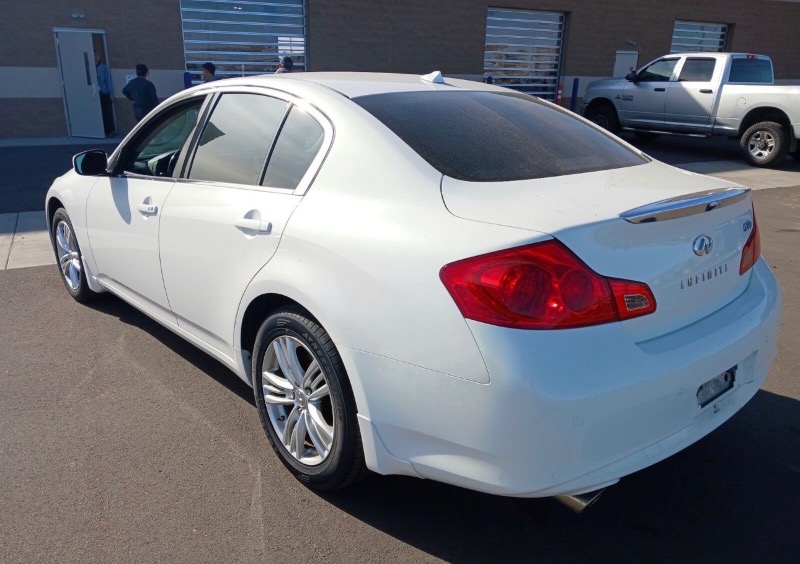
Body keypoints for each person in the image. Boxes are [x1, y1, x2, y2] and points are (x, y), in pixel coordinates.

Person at [95, 51, 114, 135]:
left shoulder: (103, 68)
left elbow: (108, 81)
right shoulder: (88, 67)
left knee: (106, 113)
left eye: (96, 56)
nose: (95, 58)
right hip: (94, 93)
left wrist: (110, 94)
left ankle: (109, 131)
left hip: (104, 93)